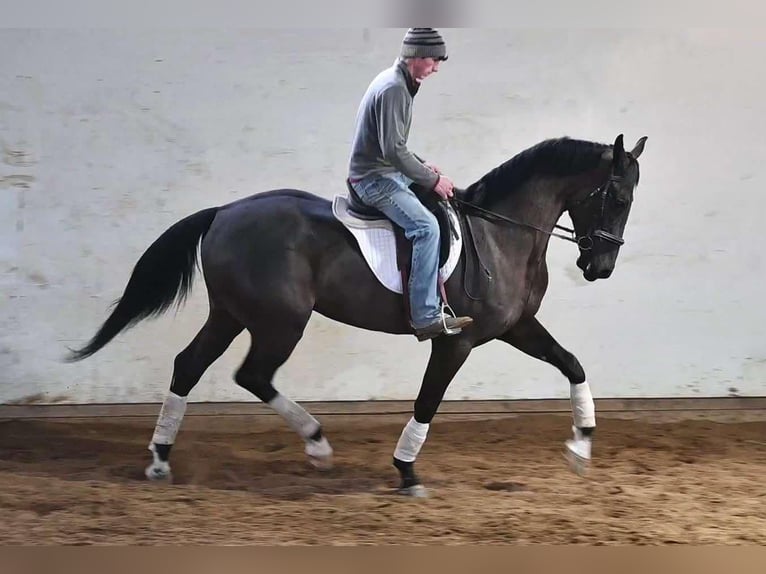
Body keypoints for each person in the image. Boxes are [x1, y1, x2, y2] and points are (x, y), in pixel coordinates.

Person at [347, 28, 473, 341]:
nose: (436, 68)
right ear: (415, 56)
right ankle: (426, 315)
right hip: (374, 179)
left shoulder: (398, 81)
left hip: (386, 169)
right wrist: (431, 179)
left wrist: (421, 166)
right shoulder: (394, 89)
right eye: (433, 60)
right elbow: (393, 150)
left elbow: (395, 144)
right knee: (426, 228)